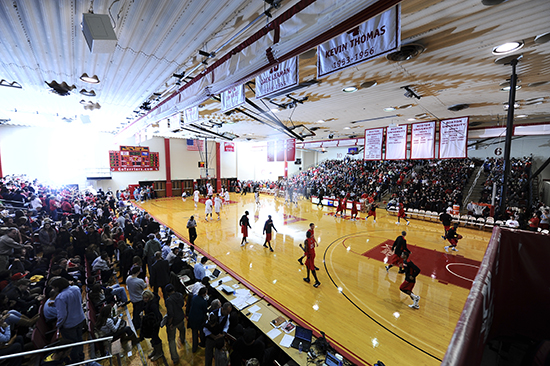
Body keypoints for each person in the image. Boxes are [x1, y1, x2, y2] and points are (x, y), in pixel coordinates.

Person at [52, 277, 86, 363]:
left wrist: (58, 325)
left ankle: (77, 361)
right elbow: (74, 302)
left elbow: (62, 315)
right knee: (79, 340)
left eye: (54, 287)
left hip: (70, 325)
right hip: (80, 319)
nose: (53, 289)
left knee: (72, 345)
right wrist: (56, 303)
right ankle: (81, 357)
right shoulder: (76, 288)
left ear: (58, 287)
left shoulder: (60, 297)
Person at [164, 284, 186, 364]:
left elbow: (171, 313)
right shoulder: (180, 295)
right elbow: (182, 304)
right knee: (182, 329)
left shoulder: (169, 300)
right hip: (181, 317)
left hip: (173, 322)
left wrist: (170, 324)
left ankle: (175, 358)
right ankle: (183, 339)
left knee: (171, 340)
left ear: (167, 292)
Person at [141, 290, 164, 361]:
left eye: (146, 298)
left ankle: (159, 352)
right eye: (144, 298)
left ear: (149, 297)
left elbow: (154, 316)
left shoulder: (153, 305)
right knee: (153, 337)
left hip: (155, 323)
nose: (144, 299)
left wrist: (144, 317)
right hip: (151, 323)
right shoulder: (149, 302)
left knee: (155, 337)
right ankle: (155, 350)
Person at [188, 287, 208, 353]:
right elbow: (205, 310)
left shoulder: (194, 297)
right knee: (201, 332)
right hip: (199, 319)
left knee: (194, 333)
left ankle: (194, 348)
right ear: (204, 294)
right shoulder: (203, 302)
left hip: (192, 317)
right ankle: (202, 343)